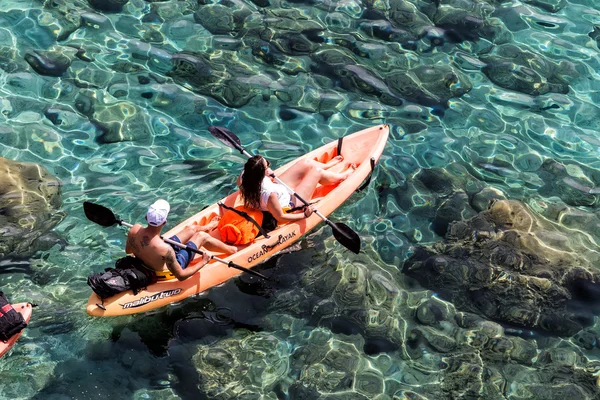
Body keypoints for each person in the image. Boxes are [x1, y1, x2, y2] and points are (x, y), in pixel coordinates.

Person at [125, 200, 237, 281]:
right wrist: (204, 261)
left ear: (146, 217)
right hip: (165, 271)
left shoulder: (134, 230)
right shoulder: (165, 249)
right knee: (201, 236)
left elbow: (129, 251)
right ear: (164, 222)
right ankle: (232, 250)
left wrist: (145, 251)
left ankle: (209, 227)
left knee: (191, 229)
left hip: (155, 254)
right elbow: (181, 275)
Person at [237, 155, 356, 224]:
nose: (269, 167)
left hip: (280, 189)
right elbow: (281, 217)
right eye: (267, 166)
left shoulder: (244, 176)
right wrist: (304, 215)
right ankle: (342, 176)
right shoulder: (269, 194)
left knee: (305, 163)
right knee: (316, 172)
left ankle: (327, 166)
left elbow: (242, 183)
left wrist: (266, 175)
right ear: (260, 174)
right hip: (291, 203)